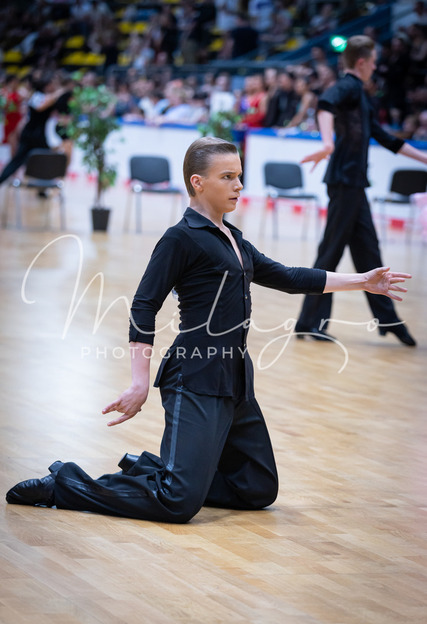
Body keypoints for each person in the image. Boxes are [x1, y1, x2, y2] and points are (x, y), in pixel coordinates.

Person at [5, 137, 411, 522]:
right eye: (227, 177)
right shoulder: (180, 238)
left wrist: (362, 281)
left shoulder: (233, 238)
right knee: (177, 503)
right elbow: (144, 306)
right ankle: (65, 484)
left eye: (239, 176)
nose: (239, 185)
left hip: (235, 379)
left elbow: (288, 277)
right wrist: (139, 382)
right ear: (198, 183)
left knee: (256, 488)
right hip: (194, 377)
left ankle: (155, 471)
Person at [295, 35, 427, 346]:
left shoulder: (362, 97)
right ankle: (309, 322)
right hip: (345, 182)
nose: (376, 67)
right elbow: (325, 104)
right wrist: (327, 143)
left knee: (369, 253)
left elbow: (386, 138)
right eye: (374, 62)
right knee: (330, 253)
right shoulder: (349, 86)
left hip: (354, 184)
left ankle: (389, 321)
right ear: (362, 62)